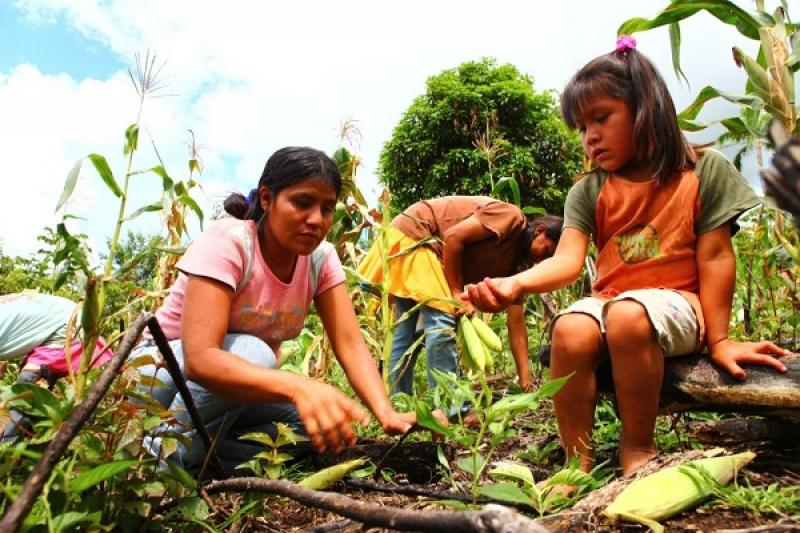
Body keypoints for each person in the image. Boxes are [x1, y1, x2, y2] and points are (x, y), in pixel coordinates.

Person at [462, 37, 789, 478]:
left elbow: (714, 256)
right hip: (614, 299)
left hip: (679, 302)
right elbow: (568, 260)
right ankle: (575, 462)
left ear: (646, 109)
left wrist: (720, 340)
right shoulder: (590, 190)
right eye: (581, 127)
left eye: (601, 118)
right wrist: (514, 284)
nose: (589, 136)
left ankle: (637, 450)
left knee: (627, 317)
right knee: (571, 329)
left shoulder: (702, 172)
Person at [132, 147, 414, 474]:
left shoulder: (320, 259)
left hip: (227, 391)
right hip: (157, 376)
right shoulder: (230, 242)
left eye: (326, 208)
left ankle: (205, 459)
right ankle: (156, 463)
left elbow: (350, 344)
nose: (316, 220)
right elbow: (200, 359)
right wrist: (298, 386)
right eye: (302, 203)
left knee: (320, 427)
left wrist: (386, 413)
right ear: (267, 199)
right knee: (256, 353)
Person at [357, 195, 562, 395]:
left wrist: (526, 382)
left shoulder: (518, 267)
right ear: (540, 231)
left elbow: (516, 323)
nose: (543, 260)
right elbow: (453, 237)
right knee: (443, 320)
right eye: (547, 251)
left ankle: (398, 404)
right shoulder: (511, 217)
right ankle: (452, 409)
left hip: (413, 240)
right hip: (418, 234)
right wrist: (456, 292)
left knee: (406, 331)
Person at [0, 292, 110, 441]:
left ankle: (7, 451)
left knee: (27, 389)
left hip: (68, 327)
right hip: (61, 319)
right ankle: (30, 440)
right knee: (31, 397)